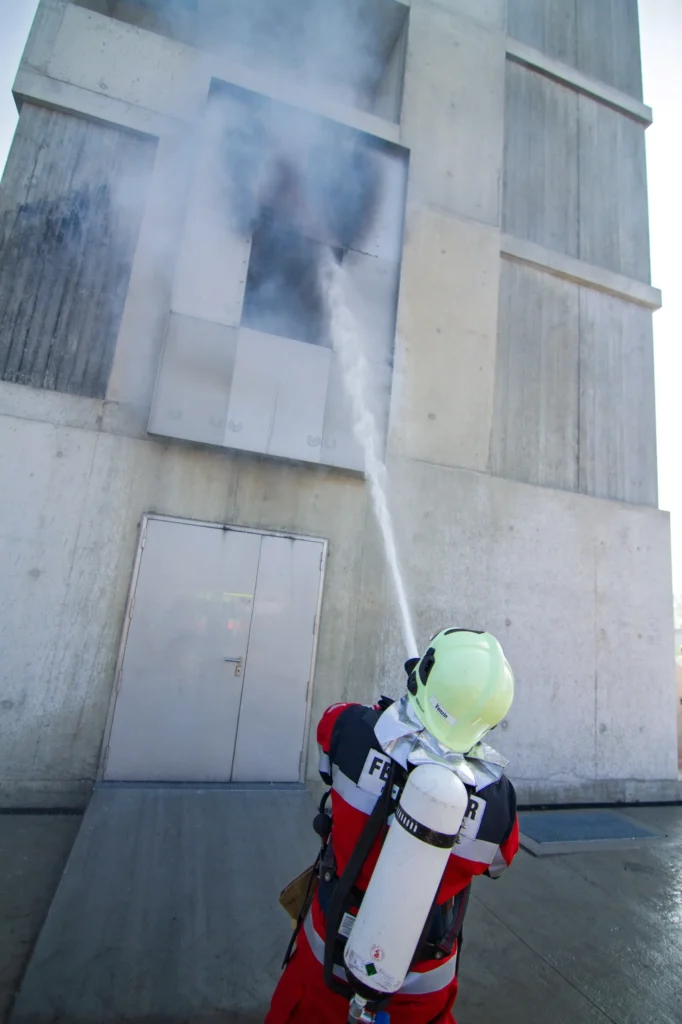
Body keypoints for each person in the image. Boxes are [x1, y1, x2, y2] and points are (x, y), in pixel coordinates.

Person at [266, 628, 519, 1024]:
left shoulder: (352, 729)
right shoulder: (499, 802)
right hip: (422, 995)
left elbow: (327, 739)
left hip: (324, 970)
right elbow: (499, 863)